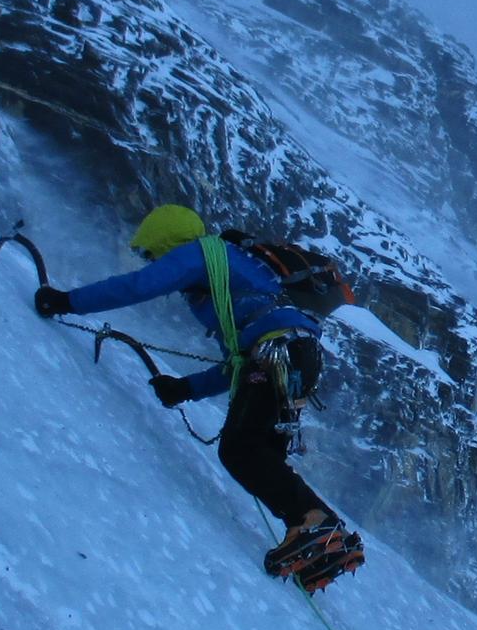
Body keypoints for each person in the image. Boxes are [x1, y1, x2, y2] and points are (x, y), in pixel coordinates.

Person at [34, 204, 364, 590]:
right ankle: (325, 542)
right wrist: (187, 388)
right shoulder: (232, 274)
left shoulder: (200, 255)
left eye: (152, 252)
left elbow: (137, 286)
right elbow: (236, 365)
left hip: (277, 352)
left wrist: (65, 301)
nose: (153, 260)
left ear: (166, 240)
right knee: (259, 451)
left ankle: (315, 526)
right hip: (296, 355)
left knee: (240, 449)